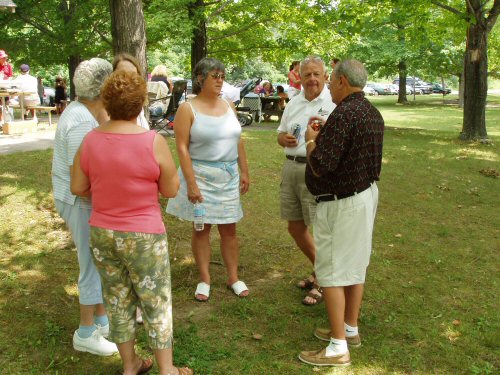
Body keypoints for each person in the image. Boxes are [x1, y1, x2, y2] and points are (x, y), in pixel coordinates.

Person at [71, 70, 193, 375]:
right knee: (155, 301)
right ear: (140, 105)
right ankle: (167, 370)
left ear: (106, 102)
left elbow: (77, 186)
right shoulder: (152, 141)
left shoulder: (90, 140)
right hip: (143, 236)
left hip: (103, 233)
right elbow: (171, 189)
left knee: (116, 298)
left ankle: (130, 365)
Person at [298, 59, 384, 367]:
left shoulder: (344, 114)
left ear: (342, 82)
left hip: (342, 202)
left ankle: (337, 347)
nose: (329, 87)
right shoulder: (372, 113)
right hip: (364, 197)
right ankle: (349, 328)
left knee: (331, 270)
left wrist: (311, 140)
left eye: (332, 81)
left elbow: (321, 164)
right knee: (355, 264)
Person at [166, 57, 250, 302]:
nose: (220, 81)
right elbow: (182, 148)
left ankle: (233, 277)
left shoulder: (228, 105)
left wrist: (244, 170)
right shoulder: (187, 108)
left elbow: (238, 140)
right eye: (215, 76)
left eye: (222, 76)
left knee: (229, 229)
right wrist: (191, 183)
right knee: (201, 229)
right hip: (201, 176)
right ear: (200, 78)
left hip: (228, 177)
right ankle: (205, 279)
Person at [52, 58, 117, 356]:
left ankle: (102, 320)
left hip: (82, 199)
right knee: (90, 264)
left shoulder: (86, 114)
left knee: (97, 260)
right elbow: (80, 176)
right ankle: (86, 331)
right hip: (79, 201)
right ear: (102, 87)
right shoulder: (80, 121)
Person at [276, 56, 336, 305]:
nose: (311, 79)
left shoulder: (333, 103)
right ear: (299, 77)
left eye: (316, 74)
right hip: (291, 167)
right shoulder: (293, 103)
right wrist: (285, 140)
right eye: (307, 74)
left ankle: (324, 280)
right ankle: (320, 270)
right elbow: (280, 134)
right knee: (295, 227)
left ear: (325, 77)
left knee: (321, 229)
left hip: (315, 170)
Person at [112, 53, 149, 129]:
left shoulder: (139, 104)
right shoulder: (108, 109)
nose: (129, 78)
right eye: (123, 75)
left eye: (133, 74)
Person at [0, 50, 13, 125]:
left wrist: (7, 78)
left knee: (6, 104)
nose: (4, 59)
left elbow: (11, 76)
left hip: (6, 87)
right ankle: (1, 122)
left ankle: (8, 121)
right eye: (2, 58)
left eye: (5, 58)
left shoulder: (8, 66)